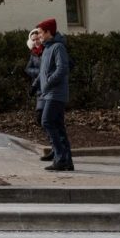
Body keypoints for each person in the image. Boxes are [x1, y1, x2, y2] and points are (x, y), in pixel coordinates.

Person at [36, 18, 73, 172]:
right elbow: (44, 71)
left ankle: (60, 158)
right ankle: (67, 161)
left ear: (48, 32)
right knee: (58, 126)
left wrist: (49, 82)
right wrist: (37, 85)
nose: (38, 36)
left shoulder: (58, 47)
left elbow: (62, 68)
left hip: (56, 93)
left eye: (40, 33)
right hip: (48, 93)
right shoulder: (47, 48)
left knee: (47, 122)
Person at [25, 28, 52, 162]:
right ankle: (54, 145)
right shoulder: (33, 54)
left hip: (46, 88)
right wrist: (38, 72)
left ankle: (56, 147)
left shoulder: (45, 52)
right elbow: (28, 69)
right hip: (39, 89)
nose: (36, 41)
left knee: (46, 119)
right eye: (33, 39)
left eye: (37, 39)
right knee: (41, 118)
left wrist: (40, 73)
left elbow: (45, 71)